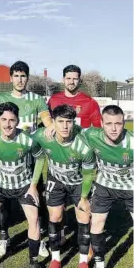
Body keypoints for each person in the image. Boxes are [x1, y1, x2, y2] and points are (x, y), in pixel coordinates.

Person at [0, 60, 54, 258]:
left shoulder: (36, 100)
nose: (20, 80)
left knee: (38, 200)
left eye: (23, 76)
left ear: (27, 78)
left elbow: (46, 120)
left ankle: (41, 239)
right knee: (4, 204)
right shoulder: (2, 97)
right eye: (16, 76)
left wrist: (51, 127)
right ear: (11, 78)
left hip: (32, 160)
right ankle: (4, 238)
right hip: (8, 160)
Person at [0, 102, 46, 268]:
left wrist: (33, 186)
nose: (8, 124)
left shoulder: (28, 140)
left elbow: (40, 158)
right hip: (0, 185)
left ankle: (34, 261)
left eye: (12, 120)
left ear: (17, 121)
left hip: (23, 186)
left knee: (34, 220)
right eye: (4, 120)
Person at [32, 104, 95, 268]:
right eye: (60, 122)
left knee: (84, 217)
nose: (65, 126)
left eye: (69, 122)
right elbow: (28, 143)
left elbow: (89, 173)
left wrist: (83, 197)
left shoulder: (84, 145)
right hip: (56, 181)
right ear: (53, 122)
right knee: (55, 217)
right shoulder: (43, 136)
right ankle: (55, 259)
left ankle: (83, 262)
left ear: (73, 123)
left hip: (78, 183)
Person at [47, 64, 102, 251]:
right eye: (68, 78)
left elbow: (98, 131)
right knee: (58, 207)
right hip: (59, 162)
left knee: (84, 206)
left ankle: (89, 245)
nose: (71, 81)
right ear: (63, 79)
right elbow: (47, 125)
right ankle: (60, 236)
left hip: (81, 165)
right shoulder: (53, 100)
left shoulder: (90, 102)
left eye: (75, 78)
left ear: (80, 80)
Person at [81, 105, 133, 268]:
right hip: (105, 186)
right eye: (108, 123)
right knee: (96, 224)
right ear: (101, 123)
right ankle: (100, 267)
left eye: (118, 124)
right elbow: (70, 131)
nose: (113, 128)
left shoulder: (132, 142)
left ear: (124, 123)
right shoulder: (91, 135)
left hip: (131, 188)